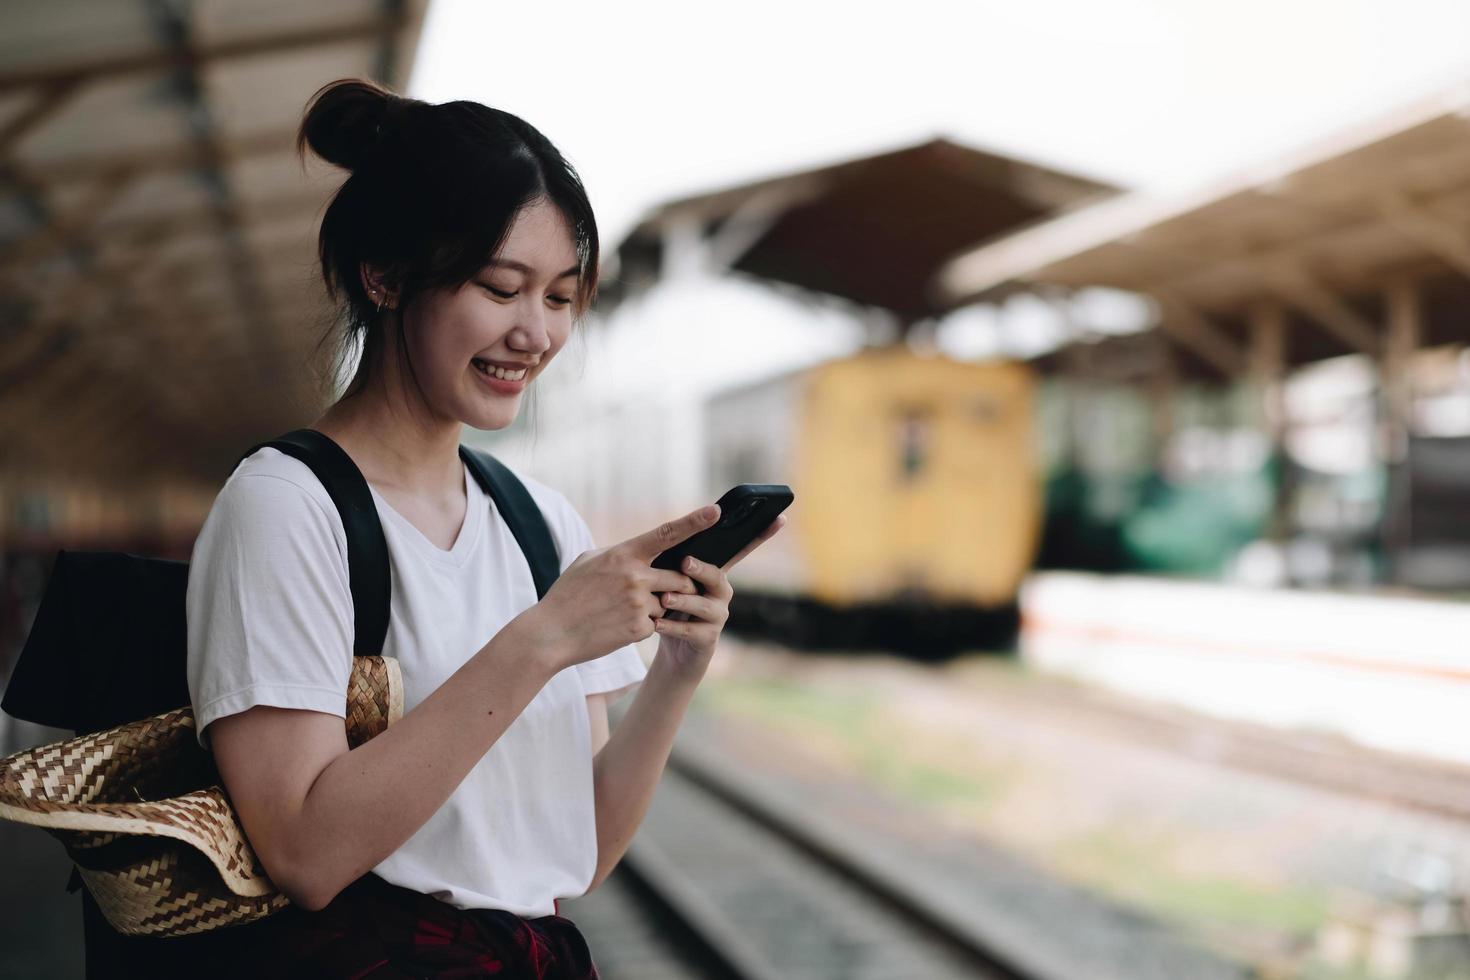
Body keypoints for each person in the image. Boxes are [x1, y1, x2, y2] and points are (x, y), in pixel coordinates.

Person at [183, 78, 784, 978]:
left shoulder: (539, 522)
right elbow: (303, 854)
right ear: (383, 275)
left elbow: (578, 854)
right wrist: (541, 639)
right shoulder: (286, 506)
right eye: (502, 288)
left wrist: (675, 673)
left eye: (561, 296)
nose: (536, 334)